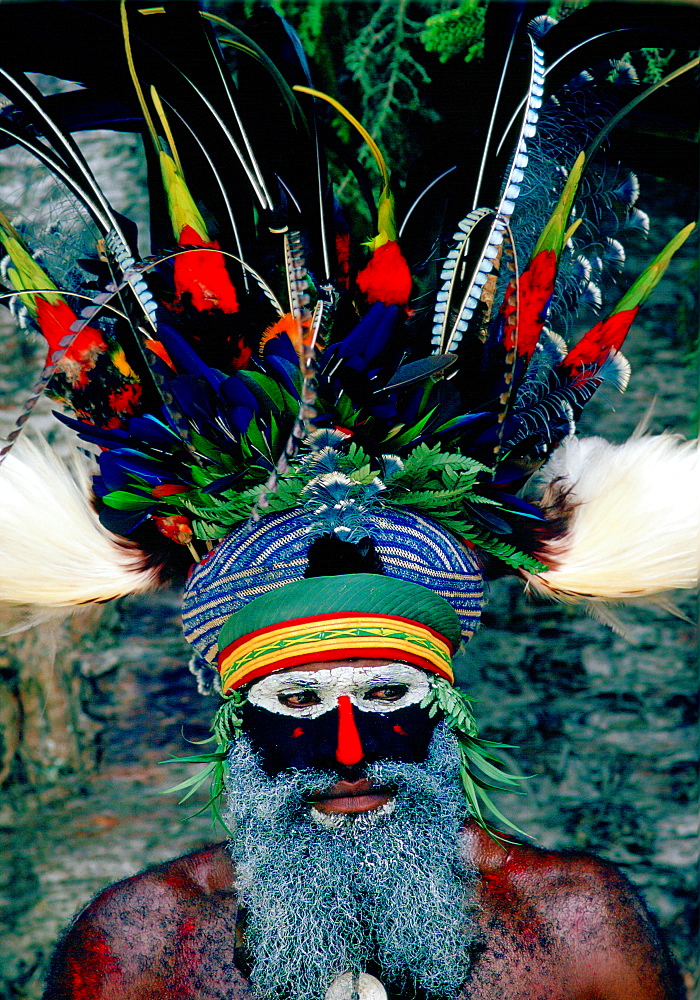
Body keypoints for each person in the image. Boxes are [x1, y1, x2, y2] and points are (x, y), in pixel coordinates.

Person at [0, 3, 696, 999]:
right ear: (233, 716)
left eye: (385, 697)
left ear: (446, 708)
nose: (348, 747)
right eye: (295, 702)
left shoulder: (574, 928)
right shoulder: (141, 947)